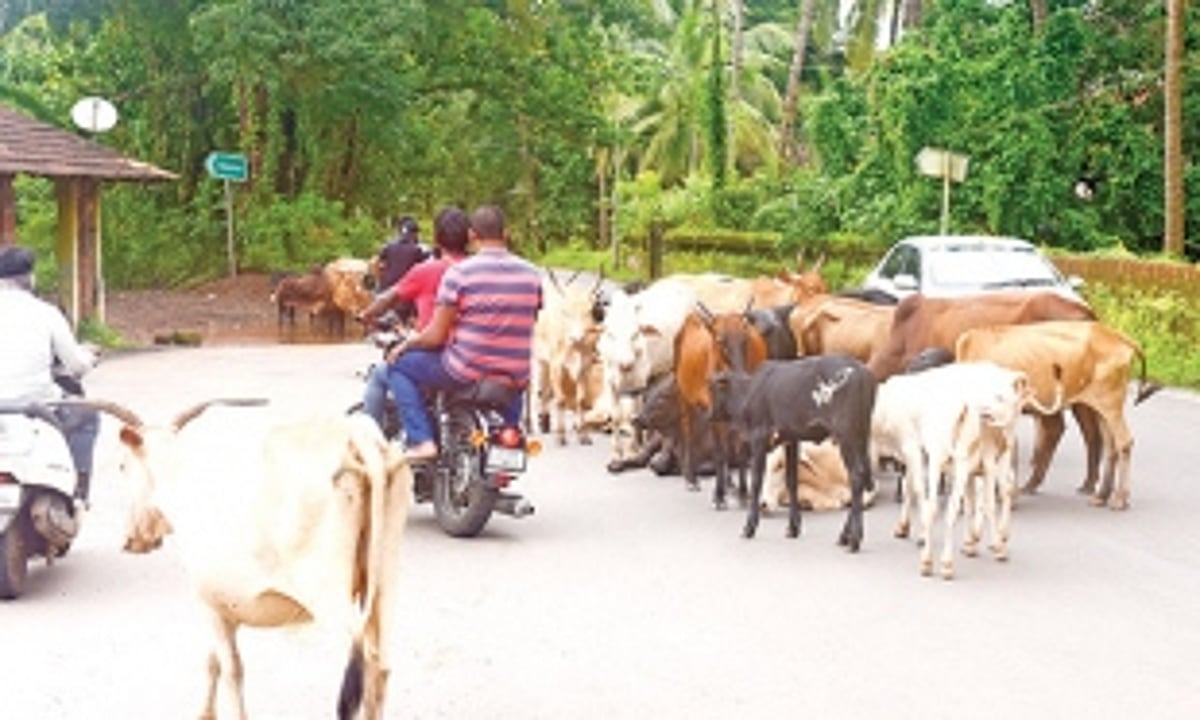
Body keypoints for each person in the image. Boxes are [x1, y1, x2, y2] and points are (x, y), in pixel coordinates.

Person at [385, 205, 542, 461]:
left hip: (466, 372)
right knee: (514, 393)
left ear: (472, 235)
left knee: (400, 367)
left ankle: (422, 440)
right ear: (507, 233)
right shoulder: (531, 275)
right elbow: (528, 321)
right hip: (514, 377)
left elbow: (436, 336)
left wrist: (407, 345)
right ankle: (508, 443)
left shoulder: (459, 273)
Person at [0, 245, 99, 504]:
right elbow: (76, 365)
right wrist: (89, 355)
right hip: (36, 403)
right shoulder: (46, 313)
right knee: (87, 416)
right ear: (30, 278)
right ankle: (77, 491)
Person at [358, 207, 471, 430]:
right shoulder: (477, 270)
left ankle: (389, 440)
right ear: (470, 237)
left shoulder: (424, 270)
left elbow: (389, 297)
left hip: (435, 351)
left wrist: (366, 314)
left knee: (384, 371)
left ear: (437, 239)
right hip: (473, 356)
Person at [375, 215, 428, 325]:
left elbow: (378, 265)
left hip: (386, 294)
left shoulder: (387, 247)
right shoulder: (419, 250)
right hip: (408, 295)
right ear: (415, 234)